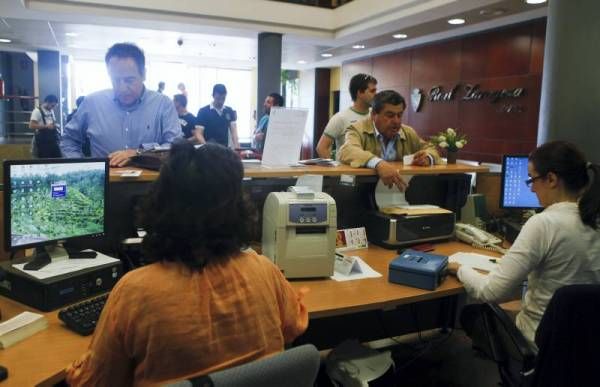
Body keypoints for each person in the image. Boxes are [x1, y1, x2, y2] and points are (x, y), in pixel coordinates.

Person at [65, 142, 309, 386]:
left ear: (160, 203)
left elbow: (93, 383)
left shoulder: (135, 292)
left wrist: (76, 369)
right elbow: (292, 327)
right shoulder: (264, 270)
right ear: (239, 208)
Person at [448, 141, 600, 344]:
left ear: (552, 179)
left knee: (471, 314)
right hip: (587, 344)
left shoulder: (544, 223)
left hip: (540, 343)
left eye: (532, 179)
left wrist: (459, 269)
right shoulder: (594, 217)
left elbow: (491, 291)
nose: (532, 189)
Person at [61, 43, 181, 166]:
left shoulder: (163, 104)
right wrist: (83, 168)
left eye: (129, 80)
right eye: (116, 80)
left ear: (143, 74)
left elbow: (175, 147)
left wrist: (140, 153)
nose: (122, 88)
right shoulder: (92, 103)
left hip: (151, 182)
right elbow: (68, 140)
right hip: (105, 182)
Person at [337, 90, 440, 191]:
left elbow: (431, 149)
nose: (396, 121)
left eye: (399, 115)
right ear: (373, 115)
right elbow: (347, 151)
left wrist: (428, 157)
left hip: (398, 192)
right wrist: (378, 163)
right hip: (361, 190)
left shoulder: (407, 132)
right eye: (390, 115)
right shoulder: (357, 129)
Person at [316, 73, 377, 159]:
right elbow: (321, 148)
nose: (376, 94)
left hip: (374, 169)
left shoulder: (376, 116)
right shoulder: (341, 118)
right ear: (359, 92)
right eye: (372, 91)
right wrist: (334, 171)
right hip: (348, 171)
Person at [196, 84, 239, 148]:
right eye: (218, 98)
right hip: (209, 149)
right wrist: (206, 147)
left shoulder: (229, 111)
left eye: (223, 98)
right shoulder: (203, 111)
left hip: (224, 149)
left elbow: (234, 133)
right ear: (213, 96)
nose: (221, 101)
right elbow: (198, 134)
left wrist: (237, 149)